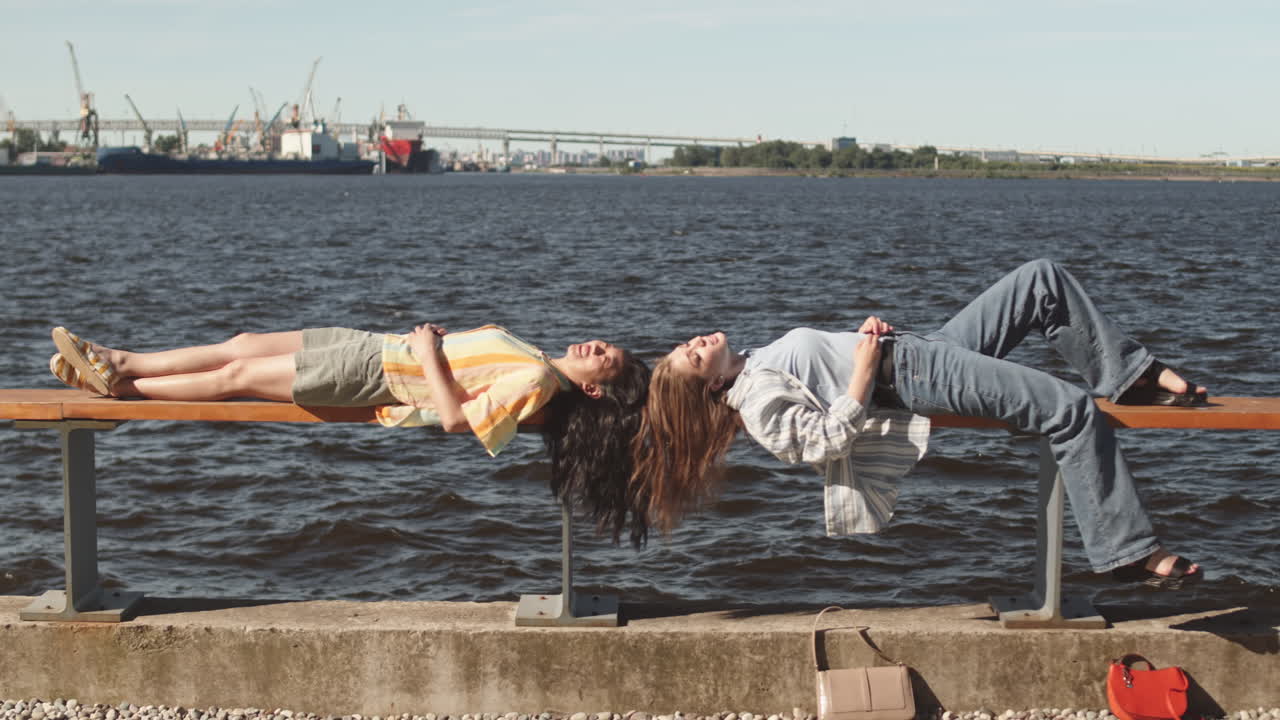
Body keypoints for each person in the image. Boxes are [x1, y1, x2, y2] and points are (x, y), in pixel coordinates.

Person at [629, 259, 1208, 589]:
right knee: (1069, 410)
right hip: (912, 376)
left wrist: (864, 336)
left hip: (918, 349)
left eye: (689, 343)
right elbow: (822, 442)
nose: (698, 342)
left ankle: (1129, 373)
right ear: (709, 385)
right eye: (694, 355)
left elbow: (825, 368)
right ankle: (1127, 551)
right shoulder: (754, 402)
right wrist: (863, 367)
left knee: (1041, 280)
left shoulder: (755, 360)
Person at [49, 324, 650, 517]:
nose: (596, 345)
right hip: (372, 348)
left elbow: (455, 421)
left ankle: (122, 382)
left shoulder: (538, 382)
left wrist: (429, 352)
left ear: (595, 388)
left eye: (605, 358)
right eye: (603, 344)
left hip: (375, 372)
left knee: (235, 380)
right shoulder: (539, 363)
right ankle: (120, 361)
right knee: (244, 343)